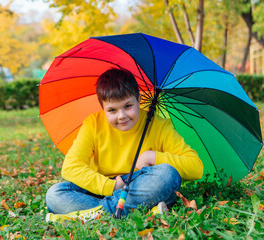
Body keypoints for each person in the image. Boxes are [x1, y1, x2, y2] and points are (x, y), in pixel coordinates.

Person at [45, 68, 203, 223]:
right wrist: (111, 186)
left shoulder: (159, 125)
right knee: (54, 194)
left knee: (167, 174)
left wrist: (153, 157)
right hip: (104, 187)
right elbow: (70, 167)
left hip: (141, 185)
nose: (121, 116)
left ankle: (93, 214)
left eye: (128, 106)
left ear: (139, 99)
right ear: (103, 108)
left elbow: (196, 167)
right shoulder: (93, 124)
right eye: (112, 110)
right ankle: (140, 211)